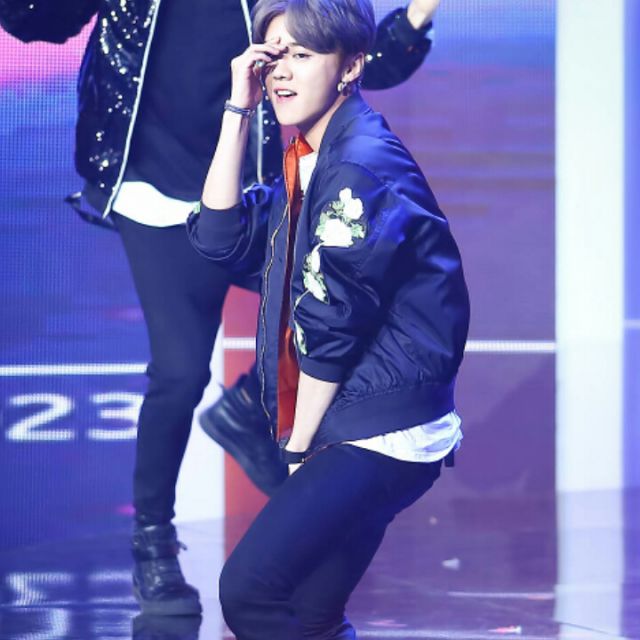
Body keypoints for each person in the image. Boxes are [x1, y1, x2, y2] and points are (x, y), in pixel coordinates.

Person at [0, 0, 442, 617]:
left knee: (352, 294)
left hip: (249, 192)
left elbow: (359, 58)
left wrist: (419, 12)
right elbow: (36, 21)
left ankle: (251, 412)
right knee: (180, 373)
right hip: (153, 191)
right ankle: (153, 540)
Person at [187, 0, 470, 636]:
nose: (282, 72)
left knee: (251, 593)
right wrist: (238, 109)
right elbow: (218, 238)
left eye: (303, 55)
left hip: (380, 425)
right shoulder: (311, 154)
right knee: (310, 617)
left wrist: (298, 451)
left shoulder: (359, 164)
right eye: (274, 56)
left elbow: (332, 325)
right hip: (360, 415)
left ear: (351, 66)